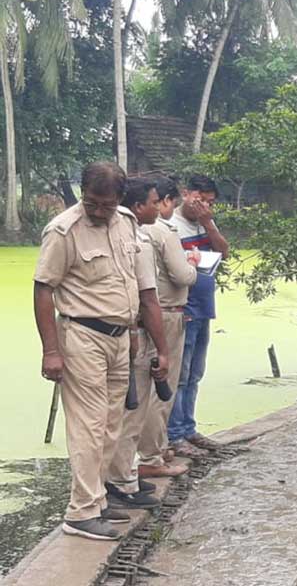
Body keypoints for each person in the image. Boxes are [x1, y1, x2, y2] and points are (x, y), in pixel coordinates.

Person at [33, 162, 166, 540]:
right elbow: (43, 289)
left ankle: (99, 500)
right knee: (88, 426)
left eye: (105, 204)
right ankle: (81, 513)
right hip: (82, 337)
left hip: (119, 338)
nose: (96, 211)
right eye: (91, 202)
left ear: (120, 200)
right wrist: (51, 351)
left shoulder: (126, 222)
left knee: (111, 424)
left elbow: (130, 283)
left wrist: (133, 332)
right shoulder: (63, 231)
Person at [107, 177, 193, 507]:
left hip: (127, 328)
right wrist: (161, 347)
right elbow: (149, 298)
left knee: (130, 406)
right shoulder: (144, 238)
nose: (159, 208)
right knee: (135, 404)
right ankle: (122, 477)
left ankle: (124, 475)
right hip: (137, 328)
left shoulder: (129, 236)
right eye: (155, 202)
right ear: (138, 206)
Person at [136, 176, 199, 476]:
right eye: (170, 202)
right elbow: (182, 276)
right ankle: (152, 457)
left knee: (147, 386)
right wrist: (194, 263)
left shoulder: (136, 231)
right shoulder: (163, 232)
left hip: (142, 315)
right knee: (163, 387)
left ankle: (157, 448)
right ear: (164, 201)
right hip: (167, 312)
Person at [167, 175, 229, 458]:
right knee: (179, 374)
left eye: (210, 202)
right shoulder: (170, 226)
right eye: (200, 199)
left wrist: (207, 222)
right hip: (183, 308)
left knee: (195, 373)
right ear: (185, 193)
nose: (204, 205)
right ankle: (175, 434)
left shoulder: (205, 223)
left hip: (204, 306)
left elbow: (223, 252)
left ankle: (189, 428)